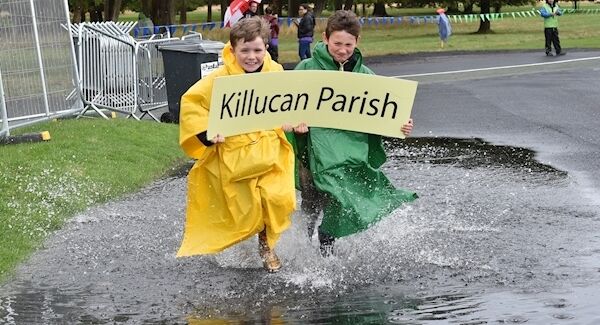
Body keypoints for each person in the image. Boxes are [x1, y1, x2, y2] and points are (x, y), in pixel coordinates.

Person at [176, 17, 306, 273]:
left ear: (266, 48)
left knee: (279, 198)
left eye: (257, 50)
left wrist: (296, 122)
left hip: (271, 153)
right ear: (233, 49)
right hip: (237, 157)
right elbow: (193, 104)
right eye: (244, 50)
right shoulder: (219, 79)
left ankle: (266, 245)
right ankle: (260, 242)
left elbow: (291, 104)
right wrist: (206, 133)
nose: (251, 56)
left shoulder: (276, 73)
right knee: (250, 209)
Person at [292, 10, 417, 256]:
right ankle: (301, 250)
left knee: (339, 201)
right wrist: (296, 123)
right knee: (311, 204)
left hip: (347, 154)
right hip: (313, 152)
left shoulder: (365, 76)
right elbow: (289, 105)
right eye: (337, 43)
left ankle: (326, 250)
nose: (342, 49)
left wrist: (400, 125)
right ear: (325, 38)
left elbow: (384, 113)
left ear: (357, 42)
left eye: (348, 44)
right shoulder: (307, 68)